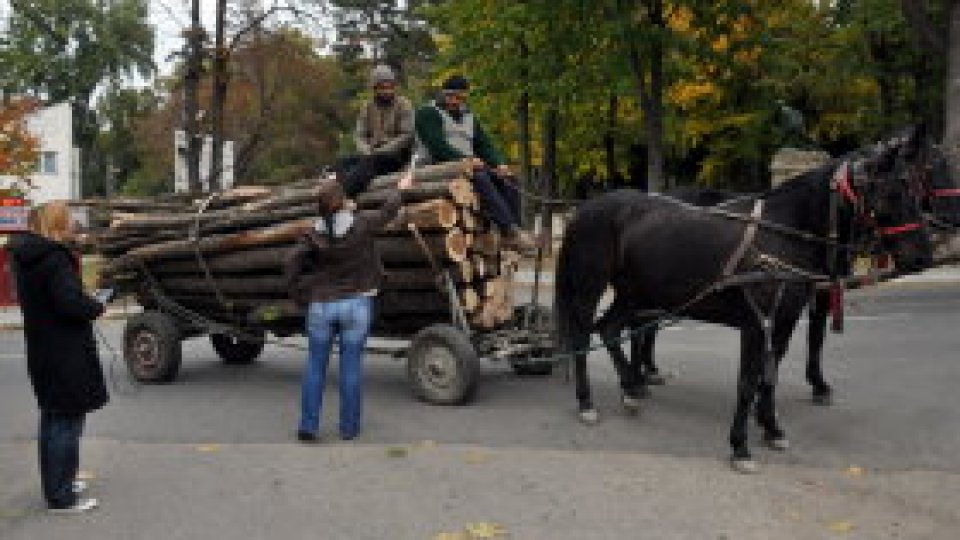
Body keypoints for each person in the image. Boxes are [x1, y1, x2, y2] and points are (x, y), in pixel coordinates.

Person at [284, 173, 412, 442]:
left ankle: (308, 425)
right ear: (344, 201)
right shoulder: (361, 225)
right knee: (350, 368)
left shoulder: (312, 233)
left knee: (315, 368)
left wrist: (299, 295)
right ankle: (348, 428)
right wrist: (401, 189)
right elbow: (387, 213)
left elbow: (291, 263)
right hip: (356, 305)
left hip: (320, 306)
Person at [8, 201, 108, 514]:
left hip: (44, 350)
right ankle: (61, 496)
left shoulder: (26, 257)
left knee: (54, 418)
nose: (73, 225)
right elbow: (69, 304)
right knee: (66, 420)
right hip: (65, 352)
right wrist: (96, 306)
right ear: (56, 224)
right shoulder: (54, 259)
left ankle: (59, 482)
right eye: (68, 220)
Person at [414, 74, 537, 251]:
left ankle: (515, 231)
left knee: (510, 180)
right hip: (438, 167)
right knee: (481, 178)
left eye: (461, 98)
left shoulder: (469, 116)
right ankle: (507, 228)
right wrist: (466, 160)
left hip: (469, 165)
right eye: (452, 96)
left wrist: (498, 164)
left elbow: (484, 144)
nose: (455, 101)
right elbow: (437, 146)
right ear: (443, 94)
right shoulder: (427, 113)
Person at [334, 64, 415, 196]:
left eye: (390, 87)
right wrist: (365, 149)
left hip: (396, 156)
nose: (387, 91)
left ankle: (344, 195)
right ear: (375, 88)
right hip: (371, 154)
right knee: (343, 162)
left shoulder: (403, 104)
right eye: (382, 88)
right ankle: (341, 190)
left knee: (369, 164)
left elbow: (407, 135)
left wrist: (381, 151)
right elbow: (359, 134)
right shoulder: (367, 107)